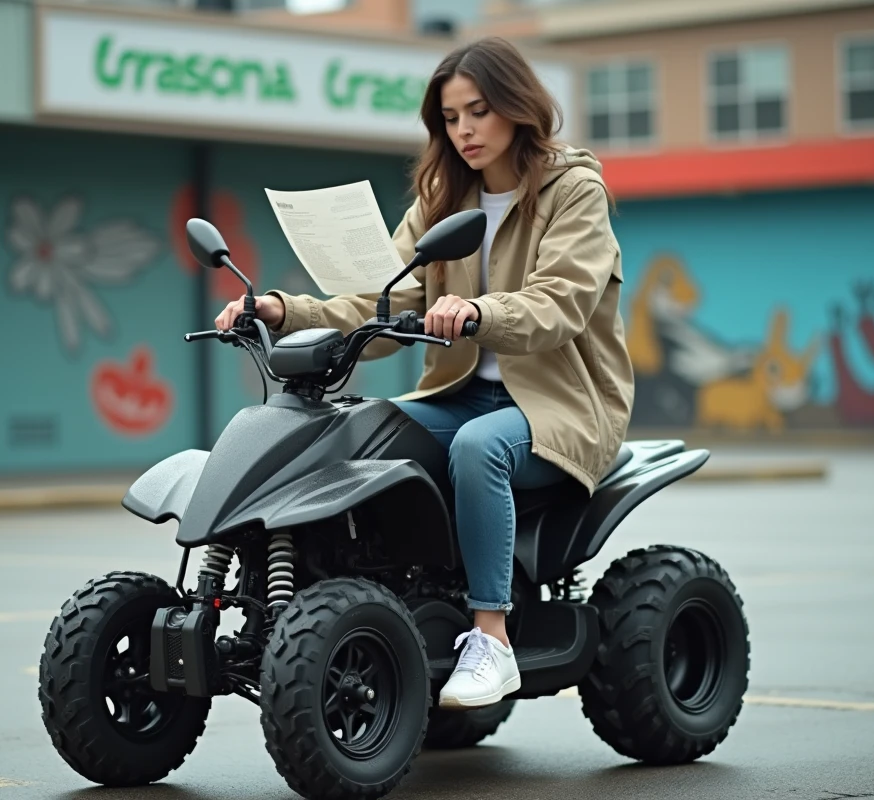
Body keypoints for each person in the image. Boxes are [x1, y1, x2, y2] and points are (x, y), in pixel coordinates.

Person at [215, 36, 634, 709]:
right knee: (358, 431)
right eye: (450, 117)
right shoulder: (444, 197)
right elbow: (381, 303)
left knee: (479, 448)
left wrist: (476, 310)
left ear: (516, 108)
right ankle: (399, 602)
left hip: (562, 406)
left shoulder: (572, 191)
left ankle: (491, 639)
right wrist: (280, 309)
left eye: (478, 111)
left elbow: (559, 305)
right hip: (463, 393)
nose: (464, 130)